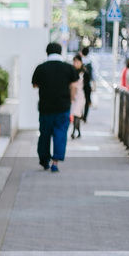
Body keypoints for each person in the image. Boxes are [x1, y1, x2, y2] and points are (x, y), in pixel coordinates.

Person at [32, 41, 79, 172]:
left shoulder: (41, 68)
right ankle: (55, 162)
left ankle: (44, 160)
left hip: (45, 107)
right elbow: (74, 86)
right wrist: (71, 98)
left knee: (44, 134)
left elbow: (35, 85)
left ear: (47, 52)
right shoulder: (68, 68)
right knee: (60, 134)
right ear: (60, 52)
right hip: (63, 107)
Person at [70, 54, 88, 139]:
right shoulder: (71, 71)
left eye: (77, 62)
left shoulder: (85, 72)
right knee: (75, 113)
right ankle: (78, 132)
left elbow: (87, 87)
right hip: (73, 95)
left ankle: (74, 132)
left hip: (81, 95)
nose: (76, 63)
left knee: (76, 113)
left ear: (81, 62)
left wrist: (89, 99)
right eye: (74, 62)